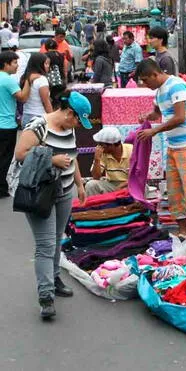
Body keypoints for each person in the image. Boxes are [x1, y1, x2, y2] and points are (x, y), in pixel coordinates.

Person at [14, 90, 92, 318]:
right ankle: (45, 296)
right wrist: (51, 159)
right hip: (41, 193)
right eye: (78, 119)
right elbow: (20, 154)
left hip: (64, 192)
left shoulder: (69, 129)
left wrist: (80, 184)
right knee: (45, 245)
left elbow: (73, 157)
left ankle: (55, 277)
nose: (78, 125)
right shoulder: (38, 126)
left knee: (57, 239)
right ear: (69, 113)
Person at [135, 59, 186, 258]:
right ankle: (184, 232)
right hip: (174, 148)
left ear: (154, 74)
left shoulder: (176, 85)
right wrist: (147, 118)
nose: (145, 85)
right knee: (175, 193)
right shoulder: (159, 91)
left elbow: (180, 117)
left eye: (145, 80)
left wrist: (156, 130)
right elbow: (158, 113)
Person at [0, 51, 31, 197]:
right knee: (5, 158)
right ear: (6, 64)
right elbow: (23, 98)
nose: (17, 66)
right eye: (14, 63)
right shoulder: (8, 80)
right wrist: (28, 82)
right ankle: (1, 187)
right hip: (6, 125)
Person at [86, 127, 132, 195]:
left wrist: (121, 187)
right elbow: (96, 177)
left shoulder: (132, 150)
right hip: (112, 185)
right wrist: (97, 159)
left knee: (140, 187)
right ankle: (96, 205)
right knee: (91, 185)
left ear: (112, 145)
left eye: (101, 145)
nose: (99, 147)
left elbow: (139, 177)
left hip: (130, 184)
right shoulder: (103, 153)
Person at [20, 52, 54, 126]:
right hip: (39, 117)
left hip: (26, 116)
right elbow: (46, 102)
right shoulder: (41, 79)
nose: (48, 66)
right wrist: (52, 118)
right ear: (39, 65)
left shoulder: (25, 77)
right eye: (46, 64)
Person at [43, 39, 66, 106]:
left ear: (46, 47)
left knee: (51, 100)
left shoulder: (44, 56)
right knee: (60, 100)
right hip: (61, 79)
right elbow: (64, 67)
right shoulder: (61, 55)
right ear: (56, 46)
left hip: (50, 81)